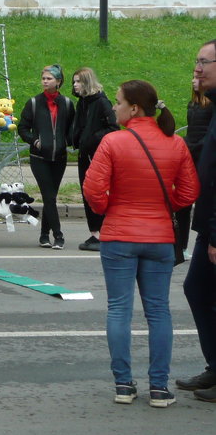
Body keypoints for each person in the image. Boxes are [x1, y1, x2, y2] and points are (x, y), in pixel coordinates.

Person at [83, 80, 199, 408]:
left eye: (118, 102)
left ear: (134, 108)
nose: (114, 107)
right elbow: (190, 193)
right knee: (159, 311)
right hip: (160, 237)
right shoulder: (175, 143)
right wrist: (165, 206)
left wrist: (110, 209)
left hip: (119, 236)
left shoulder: (113, 142)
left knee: (119, 309)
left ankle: (123, 384)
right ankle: (159, 388)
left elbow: (93, 190)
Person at [177, 40, 216, 402]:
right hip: (208, 222)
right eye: (197, 61)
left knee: (204, 290)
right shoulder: (207, 106)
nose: (198, 68)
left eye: (204, 61)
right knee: (197, 289)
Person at [16, 63, 75, 249]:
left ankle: (43, 235)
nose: (45, 81)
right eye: (43, 78)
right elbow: (23, 128)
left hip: (59, 158)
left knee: (51, 197)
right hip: (39, 158)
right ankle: (58, 236)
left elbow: (72, 127)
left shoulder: (66, 103)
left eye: (49, 78)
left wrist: (67, 141)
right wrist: (35, 141)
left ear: (58, 82)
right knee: (49, 197)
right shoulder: (34, 103)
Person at [69, 67, 118, 252]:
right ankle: (95, 231)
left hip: (96, 154)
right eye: (74, 82)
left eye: (78, 82)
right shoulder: (82, 102)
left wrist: (92, 139)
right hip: (84, 153)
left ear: (87, 82)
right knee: (87, 191)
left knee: (95, 191)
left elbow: (113, 127)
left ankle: (101, 232)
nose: (75, 85)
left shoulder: (101, 102)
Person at [174, 77, 212, 259]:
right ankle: (181, 245)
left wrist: (196, 145)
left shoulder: (211, 104)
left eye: (197, 79)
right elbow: (192, 131)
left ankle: (205, 242)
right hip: (190, 153)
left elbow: (208, 132)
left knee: (205, 200)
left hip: (202, 154)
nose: (193, 81)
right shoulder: (193, 103)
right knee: (184, 202)